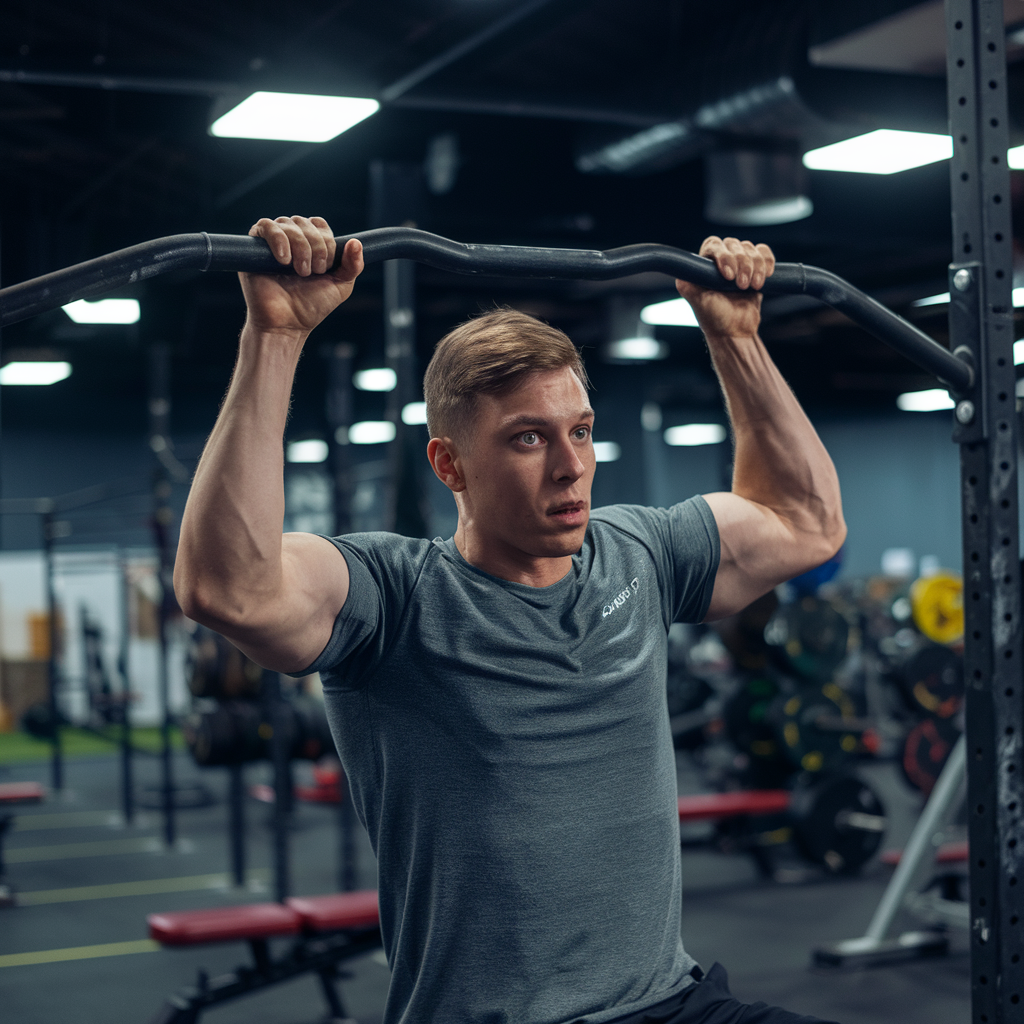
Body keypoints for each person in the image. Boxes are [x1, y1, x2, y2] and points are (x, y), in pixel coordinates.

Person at [175, 215, 846, 1024]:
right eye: (529, 438)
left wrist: (736, 337)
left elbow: (807, 521)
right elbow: (229, 589)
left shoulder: (640, 552)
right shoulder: (393, 596)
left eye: (581, 432)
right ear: (449, 462)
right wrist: (274, 337)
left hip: (674, 1003)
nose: (571, 467)